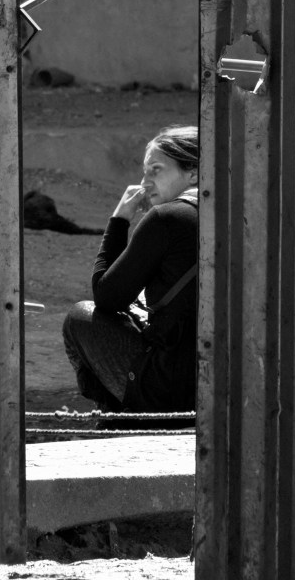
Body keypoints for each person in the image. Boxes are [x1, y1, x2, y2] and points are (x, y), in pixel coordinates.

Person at [62, 125, 200, 416]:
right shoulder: (243, 209)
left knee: (79, 317)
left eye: (156, 170)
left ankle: (117, 415)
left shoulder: (168, 217)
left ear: (194, 174)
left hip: (172, 389)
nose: (144, 182)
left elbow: (107, 297)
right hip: (232, 381)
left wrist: (119, 220)